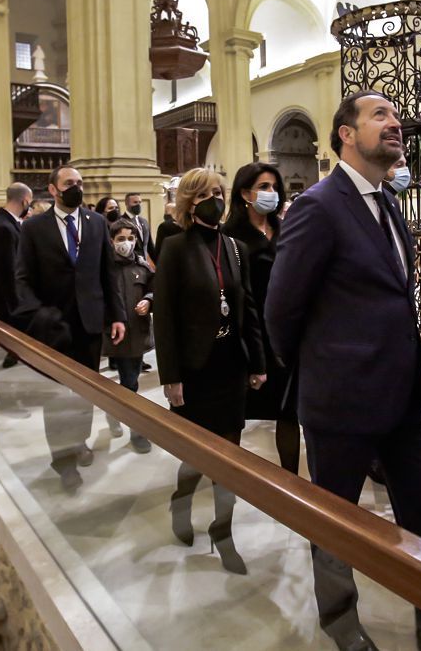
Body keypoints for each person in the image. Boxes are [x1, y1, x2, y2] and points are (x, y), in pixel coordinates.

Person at [265, 91, 421, 651]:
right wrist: (323, 369)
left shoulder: (387, 204)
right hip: (341, 399)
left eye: (397, 116)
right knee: (336, 522)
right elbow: (282, 308)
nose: (396, 124)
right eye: (380, 116)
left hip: (401, 395)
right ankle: (341, 623)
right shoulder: (319, 206)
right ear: (346, 134)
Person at [153, 167, 266, 576]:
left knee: (230, 459)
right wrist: (171, 377)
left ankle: (224, 533)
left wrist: (257, 362)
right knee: (195, 455)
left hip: (230, 366)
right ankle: (181, 502)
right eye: (205, 194)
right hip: (194, 369)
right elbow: (163, 317)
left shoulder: (235, 248)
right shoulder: (175, 247)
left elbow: (247, 308)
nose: (215, 199)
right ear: (189, 201)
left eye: (219, 191)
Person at [15, 164, 127, 490]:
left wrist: (117, 315)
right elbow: (22, 279)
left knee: (86, 390)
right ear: (53, 189)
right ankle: (63, 461)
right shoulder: (34, 228)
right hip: (54, 326)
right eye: (68, 183)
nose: (75, 187)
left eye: (79, 182)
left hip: (90, 322)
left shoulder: (96, 223)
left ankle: (79, 440)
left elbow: (108, 274)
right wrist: (37, 314)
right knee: (58, 397)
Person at [222, 161, 300, 474]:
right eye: (263, 187)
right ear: (244, 193)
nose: (272, 193)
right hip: (247, 335)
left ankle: (293, 486)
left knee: (289, 413)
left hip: (283, 334)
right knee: (236, 416)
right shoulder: (230, 235)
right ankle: (228, 485)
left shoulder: (283, 229)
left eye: (274, 188)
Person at [102, 219, 154, 454]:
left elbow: (154, 288)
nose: (127, 243)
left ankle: (134, 429)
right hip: (112, 334)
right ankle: (117, 413)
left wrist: (149, 300)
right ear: (112, 241)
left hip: (135, 333)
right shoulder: (104, 267)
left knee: (130, 383)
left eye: (131, 239)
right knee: (126, 384)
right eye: (121, 239)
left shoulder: (141, 267)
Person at [0, 182, 33, 368]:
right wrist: (18, 304)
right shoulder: (4, 227)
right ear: (25, 201)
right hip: (8, 297)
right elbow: (8, 270)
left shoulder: (6, 221)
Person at [120, 192, 155, 261]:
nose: (138, 205)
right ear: (127, 204)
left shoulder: (144, 221)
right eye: (135, 202)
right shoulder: (121, 222)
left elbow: (150, 246)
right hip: (129, 263)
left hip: (143, 264)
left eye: (140, 202)